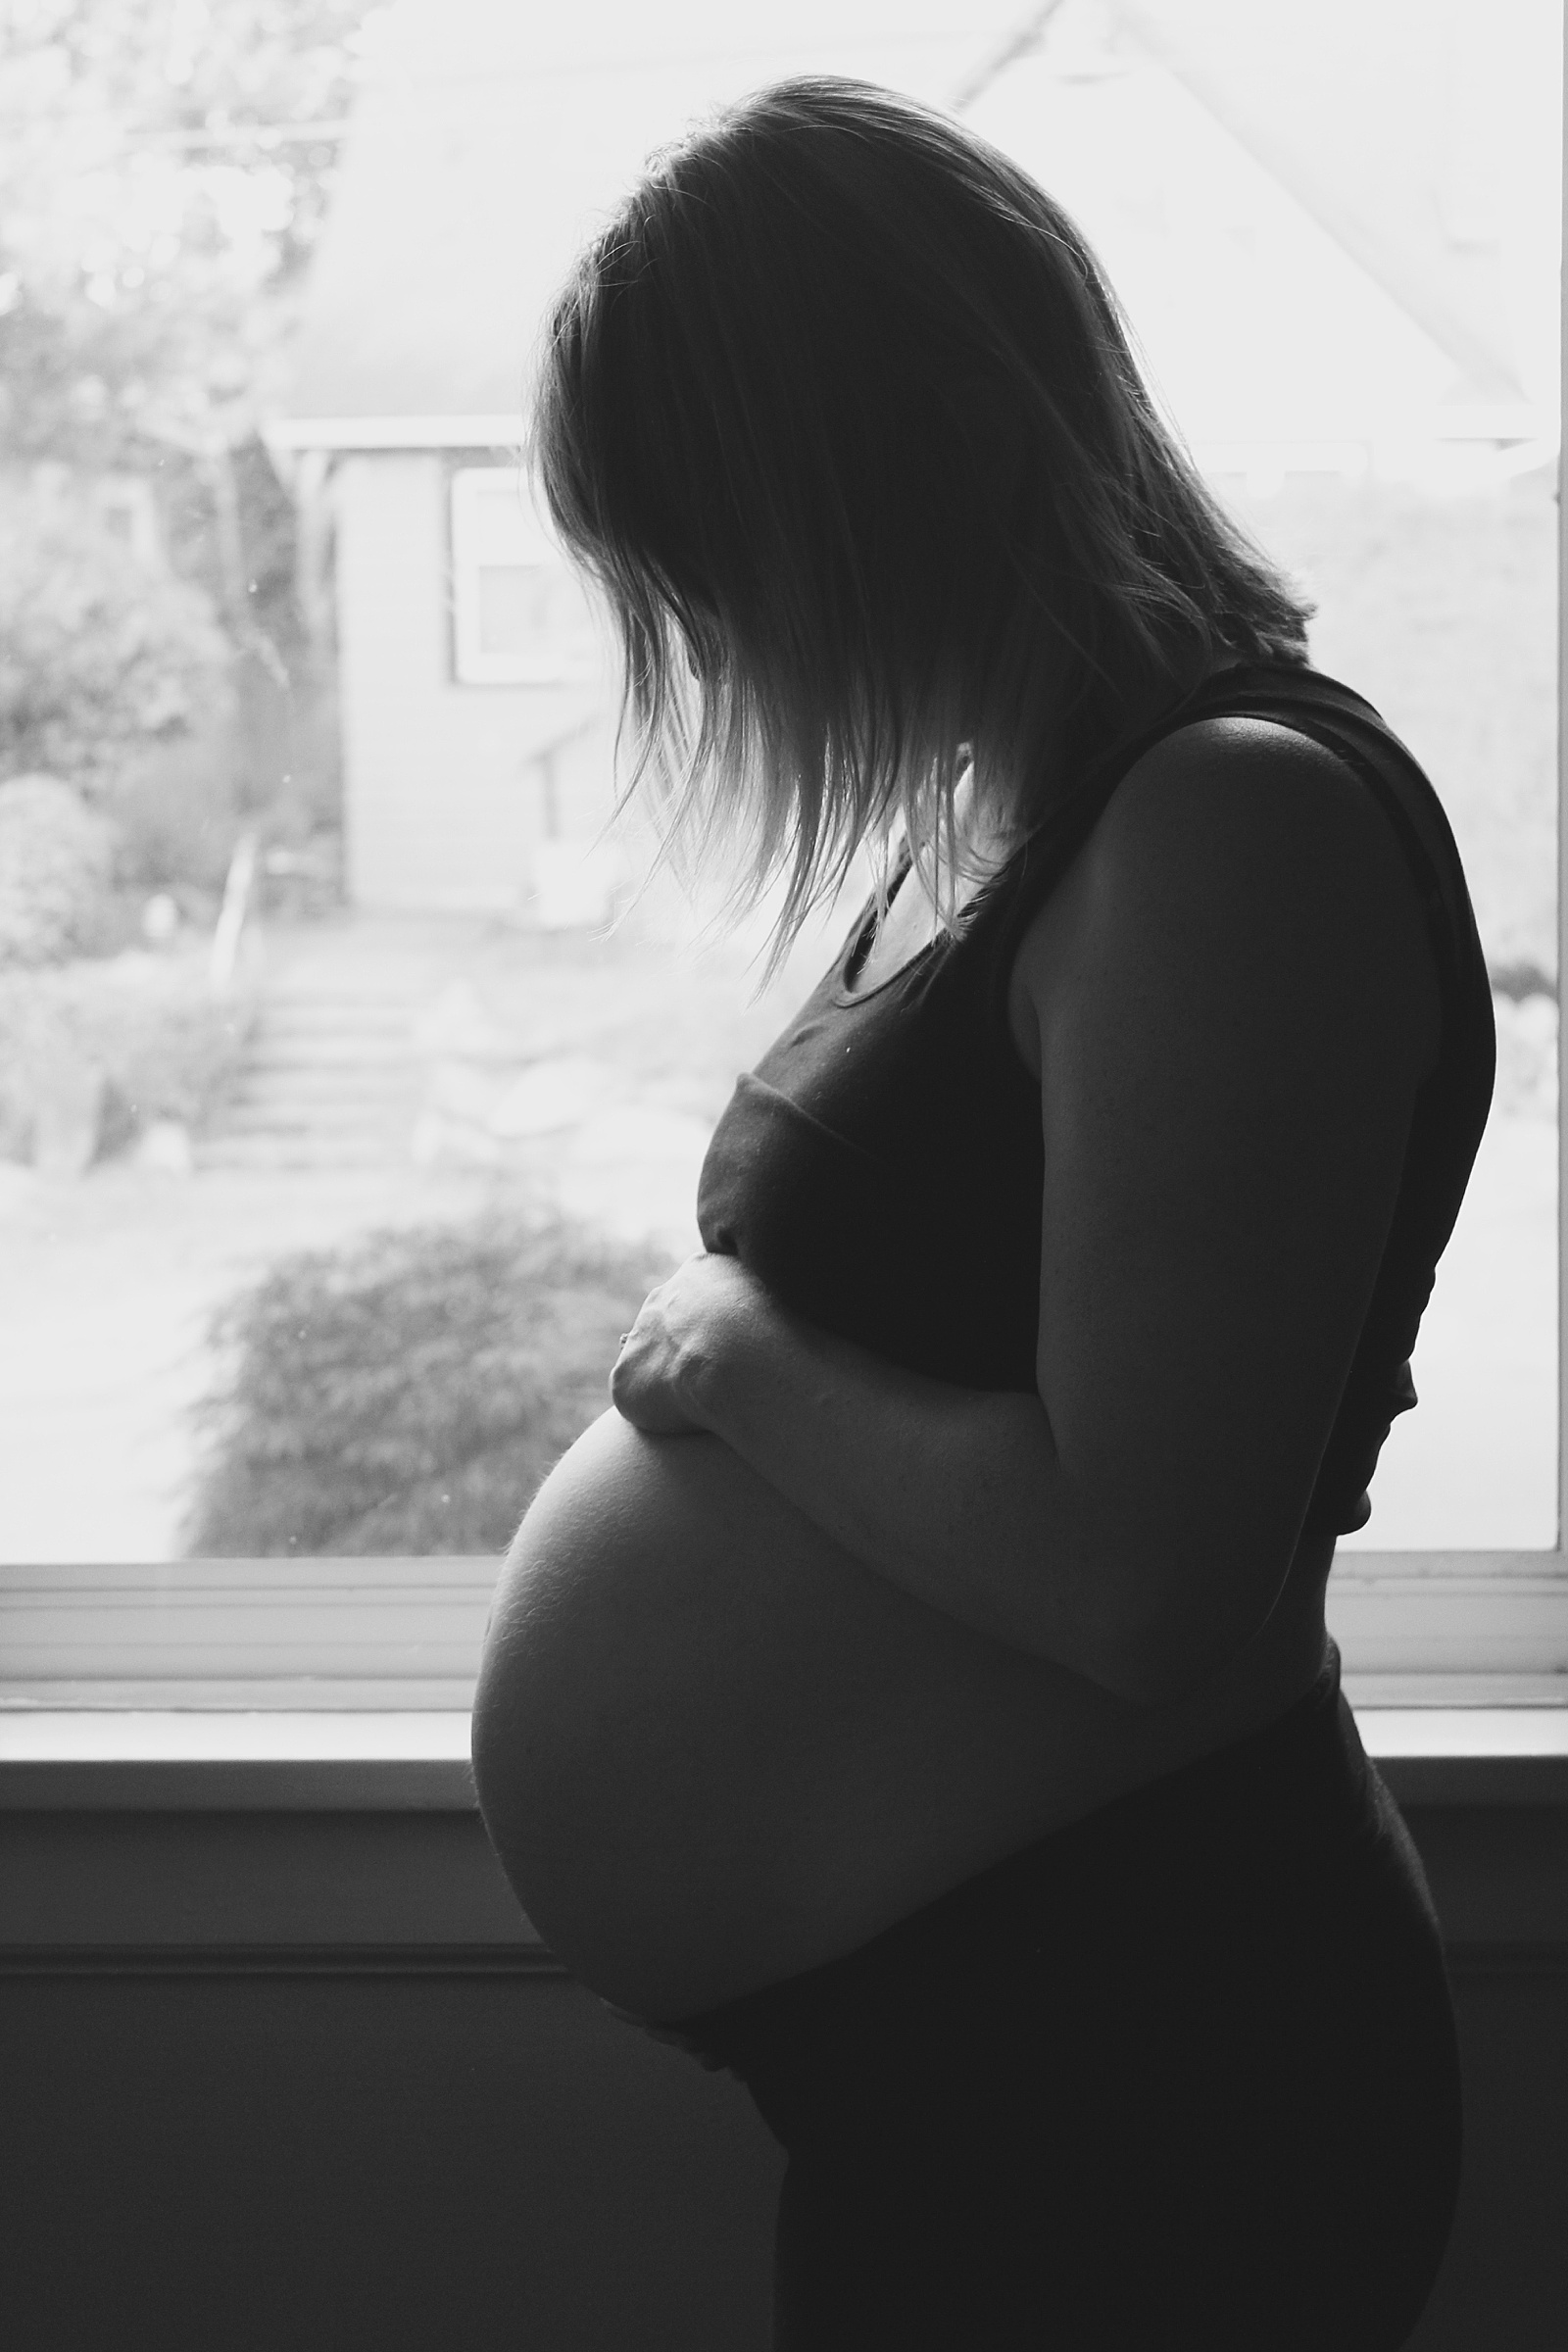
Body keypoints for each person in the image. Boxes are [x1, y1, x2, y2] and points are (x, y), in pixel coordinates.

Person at [471, 76, 1492, 2349]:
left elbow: (1141, 1585)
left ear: (900, 462)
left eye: (712, 556)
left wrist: (743, 1362)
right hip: (996, 2060)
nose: (708, 640)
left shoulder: (1227, 828)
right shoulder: (1034, 825)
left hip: (1142, 2079)